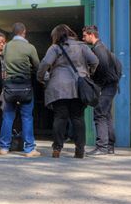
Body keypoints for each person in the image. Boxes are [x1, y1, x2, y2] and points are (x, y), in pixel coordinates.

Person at [38, 24, 98, 158]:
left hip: (59, 87)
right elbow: (95, 61)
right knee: (78, 117)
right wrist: (87, 73)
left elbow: (45, 63)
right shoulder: (82, 46)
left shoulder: (55, 47)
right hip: (79, 86)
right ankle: (80, 150)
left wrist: (41, 77)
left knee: (60, 117)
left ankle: (57, 149)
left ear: (56, 36)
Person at [0, 22, 41, 157]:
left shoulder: (6, 47)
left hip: (9, 86)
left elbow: (3, 65)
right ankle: (29, 149)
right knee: (27, 117)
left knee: (8, 117)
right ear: (24, 32)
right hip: (25, 86)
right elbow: (38, 66)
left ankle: (4, 148)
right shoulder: (30, 47)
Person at [82, 25, 120, 155]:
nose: (83, 38)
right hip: (111, 85)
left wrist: (96, 83)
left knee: (99, 113)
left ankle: (102, 147)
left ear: (91, 35)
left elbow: (102, 68)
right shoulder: (104, 48)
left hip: (106, 86)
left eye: (84, 35)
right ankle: (109, 146)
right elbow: (118, 66)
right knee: (106, 114)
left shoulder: (98, 50)